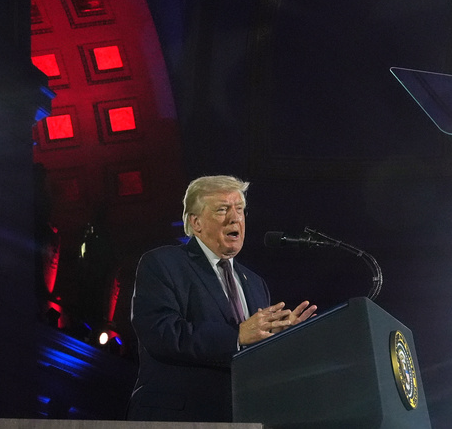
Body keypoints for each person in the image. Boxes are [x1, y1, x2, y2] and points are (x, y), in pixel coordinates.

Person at [127, 175, 316, 421]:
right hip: (177, 416)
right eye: (222, 209)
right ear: (196, 223)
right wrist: (236, 336)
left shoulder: (256, 283)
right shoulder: (163, 263)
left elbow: (255, 358)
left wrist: (279, 337)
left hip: (241, 416)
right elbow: (161, 333)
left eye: (240, 209)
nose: (234, 217)